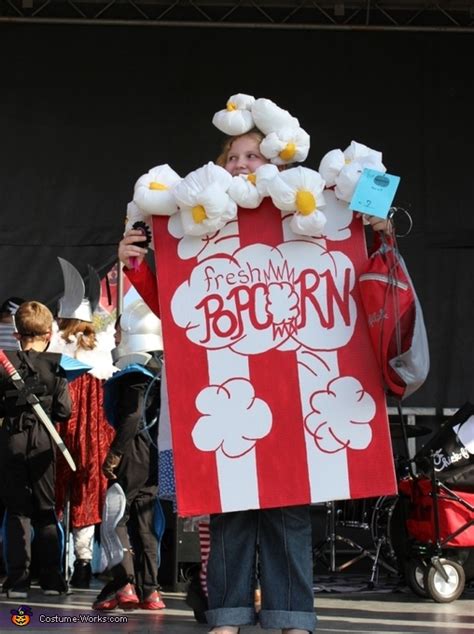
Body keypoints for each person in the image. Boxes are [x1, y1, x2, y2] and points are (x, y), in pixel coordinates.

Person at [117, 121, 393, 634]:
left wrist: (373, 230)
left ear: (279, 168)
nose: (242, 165)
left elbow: (358, 281)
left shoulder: (312, 215)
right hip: (226, 401)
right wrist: (135, 266)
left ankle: (292, 615)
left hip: (294, 397)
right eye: (233, 158)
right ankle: (227, 613)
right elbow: (183, 317)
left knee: (289, 513)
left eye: (252, 156)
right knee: (229, 513)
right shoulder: (200, 227)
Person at [92, 299, 166, 611]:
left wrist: (115, 453)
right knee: (143, 522)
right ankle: (150, 590)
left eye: (120, 332)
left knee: (116, 517)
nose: (115, 338)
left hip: (134, 450)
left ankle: (124, 584)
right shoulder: (161, 369)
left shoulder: (138, 372)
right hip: (152, 451)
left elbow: (132, 416)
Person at [49, 259, 116, 589]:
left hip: (63, 427)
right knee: (86, 493)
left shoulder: (58, 344)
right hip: (92, 432)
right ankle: (83, 562)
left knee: (59, 489)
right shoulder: (101, 344)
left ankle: (60, 561)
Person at [0, 301, 71, 598]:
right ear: (47, 333)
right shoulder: (57, 364)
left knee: (17, 512)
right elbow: (65, 411)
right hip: (43, 441)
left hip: (10, 440)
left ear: (17, 334)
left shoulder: (4, 363)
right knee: (45, 511)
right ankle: (52, 580)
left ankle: (18, 581)